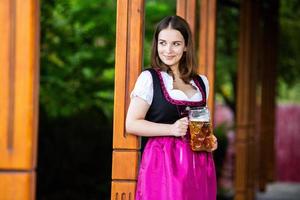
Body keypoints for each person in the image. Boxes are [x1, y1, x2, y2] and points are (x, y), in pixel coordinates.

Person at [126, 15, 217, 200]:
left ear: (186, 47)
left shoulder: (201, 82)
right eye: (162, 43)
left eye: (175, 44)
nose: (167, 50)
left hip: (198, 163)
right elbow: (132, 124)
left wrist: (210, 139)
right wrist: (171, 129)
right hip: (163, 164)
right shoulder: (149, 78)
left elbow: (200, 125)